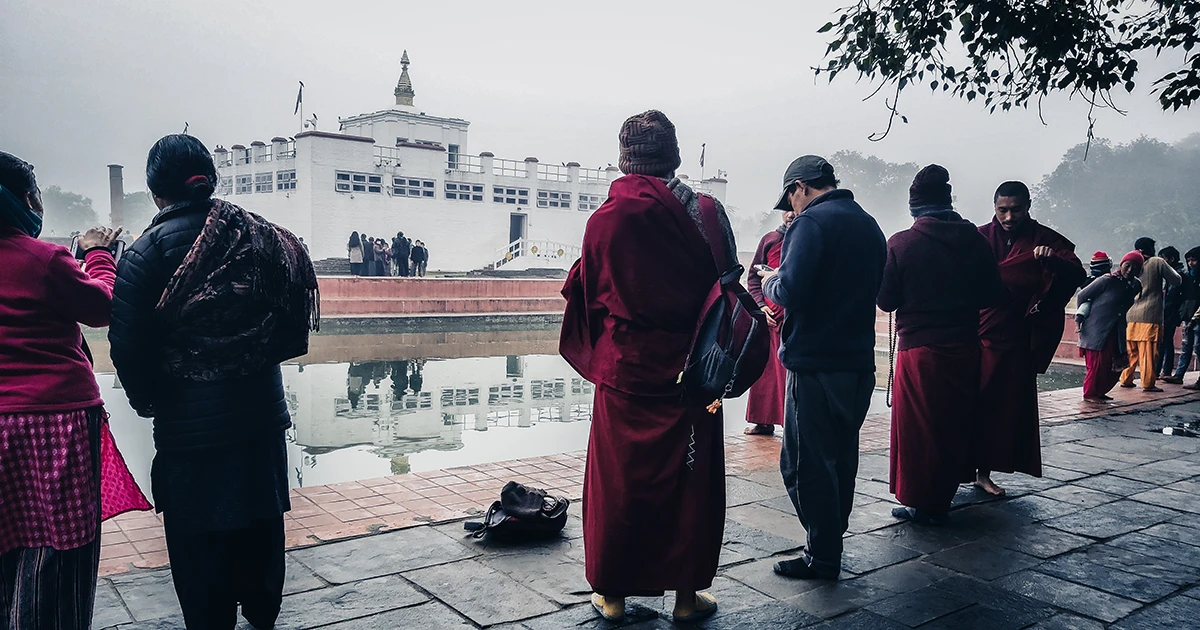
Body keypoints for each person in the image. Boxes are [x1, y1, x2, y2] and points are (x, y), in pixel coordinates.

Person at [109, 134, 318, 629]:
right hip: (261, 415)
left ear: (156, 192)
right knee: (262, 523)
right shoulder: (263, 236)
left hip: (190, 428)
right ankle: (263, 610)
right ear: (210, 179)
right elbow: (289, 320)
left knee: (198, 537)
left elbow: (128, 347)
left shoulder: (144, 255)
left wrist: (148, 401)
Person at [560, 110, 729, 623]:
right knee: (691, 484)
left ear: (623, 159)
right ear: (674, 157)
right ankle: (684, 598)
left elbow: (588, 300)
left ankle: (612, 595)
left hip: (625, 376)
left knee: (618, 485)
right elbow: (725, 287)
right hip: (692, 375)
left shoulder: (604, 220)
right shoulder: (707, 212)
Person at [0, 151, 144, 629]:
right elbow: (102, 306)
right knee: (59, 547)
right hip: (53, 420)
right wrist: (98, 254)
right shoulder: (42, 259)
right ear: (20, 200)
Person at [758, 155, 886, 579]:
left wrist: (770, 278)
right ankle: (831, 541)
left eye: (790, 198)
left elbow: (791, 289)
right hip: (856, 364)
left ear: (800, 187)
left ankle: (823, 552)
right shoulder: (868, 224)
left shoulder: (810, 224)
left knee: (804, 464)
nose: (790, 208)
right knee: (840, 458)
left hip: (815, 363)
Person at [877, 165, 1004, 524]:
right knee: (954, 422)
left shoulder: (902, 242)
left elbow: (886, 300)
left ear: (915, 207)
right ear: (948, 202)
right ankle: (942, 496)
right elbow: (993, 293)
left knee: (920, 429)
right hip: (965, 344)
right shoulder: (975, 240)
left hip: (920, 349)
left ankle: (923, 502)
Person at [974, 181, 1085, 496]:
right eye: (1002, 210)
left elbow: (1077, 273)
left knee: (1002, 408)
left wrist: (1052, 261)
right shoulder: (980, 237)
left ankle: (984, 472)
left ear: (1028, 205)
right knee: (965, 404)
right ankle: (956, 467)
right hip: (975, 334)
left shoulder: (1044, 239)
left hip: (1013, 338)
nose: (1009, 217)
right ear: (994, 207)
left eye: (1016, 210)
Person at [744, 209, 795, 435]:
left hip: (792, 318)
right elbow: (754, 277)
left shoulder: (805, 237)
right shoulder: (770, 240)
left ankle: (790, 425)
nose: (791, 214)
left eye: (794, 208)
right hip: (768, 318)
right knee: (763, 372)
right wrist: (760, 306)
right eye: (786, 210)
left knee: (787, 375)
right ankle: (762, 421)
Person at [1077, 252, 1144, 403]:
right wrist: (1082, 317)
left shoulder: (1135, 285)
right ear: (1121, 265)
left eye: (1135, 267)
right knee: (1097, 364)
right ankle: (1090, 394)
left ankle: (1100, 391)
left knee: (1114, 363)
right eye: (1127, 266)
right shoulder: (1106, 280)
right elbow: (1082, 296)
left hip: (1116, 330)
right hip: (1096, 329)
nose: (1130, 270)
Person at [1119, 237, 1181, 392]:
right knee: (1148, 352)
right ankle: (1148, 383)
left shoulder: (1131, 262)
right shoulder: (1156, 262)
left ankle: (1125, 379)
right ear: (1150, 249)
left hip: (1131, 314)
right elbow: (1177, 280)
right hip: (1150, 315)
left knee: (1131, 352)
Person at [1165, 247, 1200, 386]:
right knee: (1186, 346)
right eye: (1189, 260)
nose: (1191, 263)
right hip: (1188, 317)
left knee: (1198, 347)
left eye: (1194, 260)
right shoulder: (1188, 277)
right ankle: (1179, 375)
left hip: (1197, 318)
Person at [1159, 247, 1185, 377]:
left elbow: (1173, 298)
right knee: (1165, 341)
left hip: (1171, 312)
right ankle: (1162, 370)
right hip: (1168, 312)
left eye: (1164, 259)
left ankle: (1164, 370)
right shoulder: (1173, 274)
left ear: (1171, 259)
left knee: (1166, 341)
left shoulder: (1178, 275)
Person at [1076, 251, 1113, 333]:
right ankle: (1078, 322)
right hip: (1092, 302)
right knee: (1084, 307)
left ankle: (1078, 324)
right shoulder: (1104, 280)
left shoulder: (1089, 279)